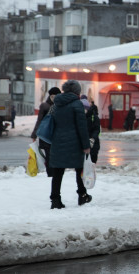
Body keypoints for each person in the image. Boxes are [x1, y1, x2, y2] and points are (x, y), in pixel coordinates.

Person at [49, 80, 92, 209]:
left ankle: (55, 200)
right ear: (77, 92)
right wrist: (86, 145)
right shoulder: (77, 104)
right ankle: (82, 195)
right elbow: (82, 127)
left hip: (57, 142)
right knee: (79, 169)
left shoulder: (56, 103)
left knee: (57, 172)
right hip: (75, 143)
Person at [31, 87, 61, 177]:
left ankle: (51, 174)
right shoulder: (46, 106)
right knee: (50, 155)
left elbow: (39, 121)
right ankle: (51, 174)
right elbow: (39, 121)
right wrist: (34, 134)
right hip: (49, 135)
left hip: (48, 135)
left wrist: (34, 135)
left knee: (50, 156)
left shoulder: (47, 105)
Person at [81, 97, 101, 164]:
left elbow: (97, 129)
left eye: (84, 108)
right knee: (81, 164)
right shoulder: (79, 117)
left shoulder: (94, 117)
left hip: (93, 144)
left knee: (92, 162)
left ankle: (91, 173)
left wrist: (92, 138)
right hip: (82, 144)